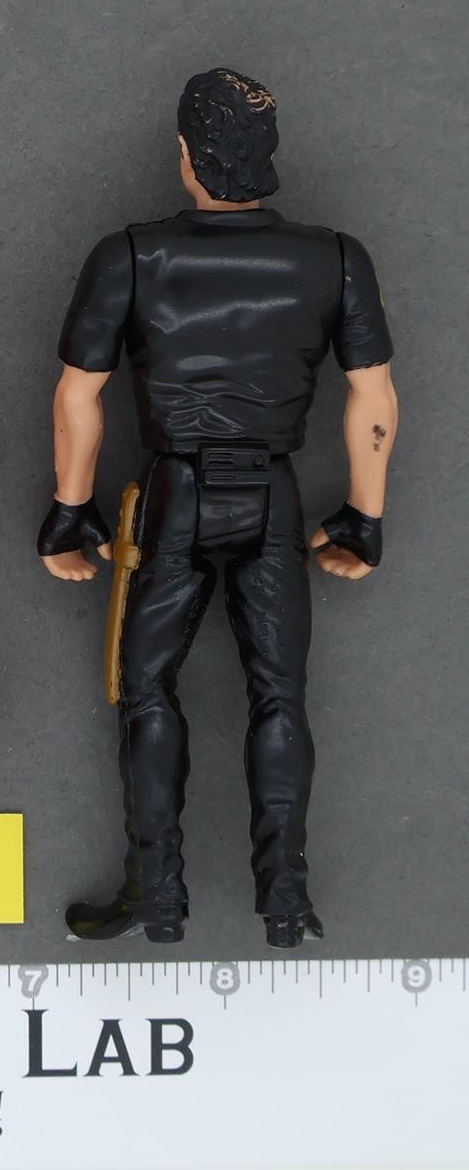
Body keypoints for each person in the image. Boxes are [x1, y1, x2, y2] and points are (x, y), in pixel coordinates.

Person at [37, 68, 397, 948]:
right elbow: (373, 397)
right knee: (280, 696)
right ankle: (286, 901)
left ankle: (155, 896)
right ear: (267, 155)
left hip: (175, 495)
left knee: (147, 689)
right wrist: (364, 514)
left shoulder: (130, 255)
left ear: (188, 153)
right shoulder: (335, 257)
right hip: (271, 495)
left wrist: (71, 508)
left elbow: (78, 397)